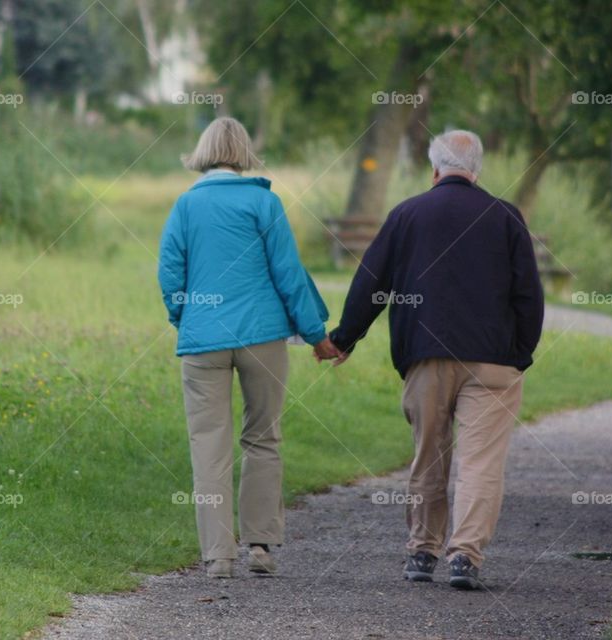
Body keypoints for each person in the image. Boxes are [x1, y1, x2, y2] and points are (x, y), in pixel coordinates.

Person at [323, 130, 544, 590]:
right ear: (477, 170)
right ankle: (465, 558)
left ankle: (423, 552)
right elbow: (529, 295)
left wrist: (345, 338)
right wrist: (521, 354)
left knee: (429, 454)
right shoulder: (505, 217)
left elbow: (371, 284)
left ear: (435, 170)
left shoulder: (407, 214)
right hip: (494, 361)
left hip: (425, 357)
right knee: (481, 463)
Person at [158, 117, 338, 578]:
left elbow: (170, 275)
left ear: (202, 153)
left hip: (203, 342)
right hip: (262, 339)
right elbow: (289, 274)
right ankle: (260, 546)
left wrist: (187, 319)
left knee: (208, 447)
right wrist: (316, 335)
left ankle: (218, 555)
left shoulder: (184, 206)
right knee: (263, 438)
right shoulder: (264, 202)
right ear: (243, 153)